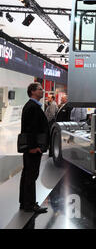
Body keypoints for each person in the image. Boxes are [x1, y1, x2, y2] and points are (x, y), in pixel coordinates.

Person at [19, 83, 48, 214]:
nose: (43, 91)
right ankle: (30, 204)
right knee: (31, 175)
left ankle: (25, 203)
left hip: (32, 147)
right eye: (40, 89)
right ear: (32, 91)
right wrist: (33, 147)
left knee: (28, 175)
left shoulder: (32, 106)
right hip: (33, 148)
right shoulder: (33, 107)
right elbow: (30, 130)